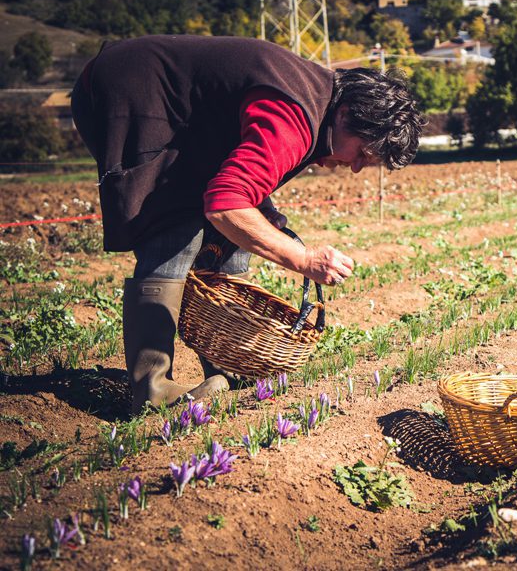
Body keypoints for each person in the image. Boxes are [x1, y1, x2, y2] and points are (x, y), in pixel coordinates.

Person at [70, 35, 425, 415]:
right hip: (128, 91)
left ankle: (225, 367)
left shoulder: (317, 104)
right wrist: (303, 259)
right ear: (346, 114)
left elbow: (241, 166)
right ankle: (152, 389)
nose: (355, 166)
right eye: (362, 153)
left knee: (236, 235)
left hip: (168, 107)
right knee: (174, 228)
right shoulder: (294, 116)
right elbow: (225, 205)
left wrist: (264, 208)